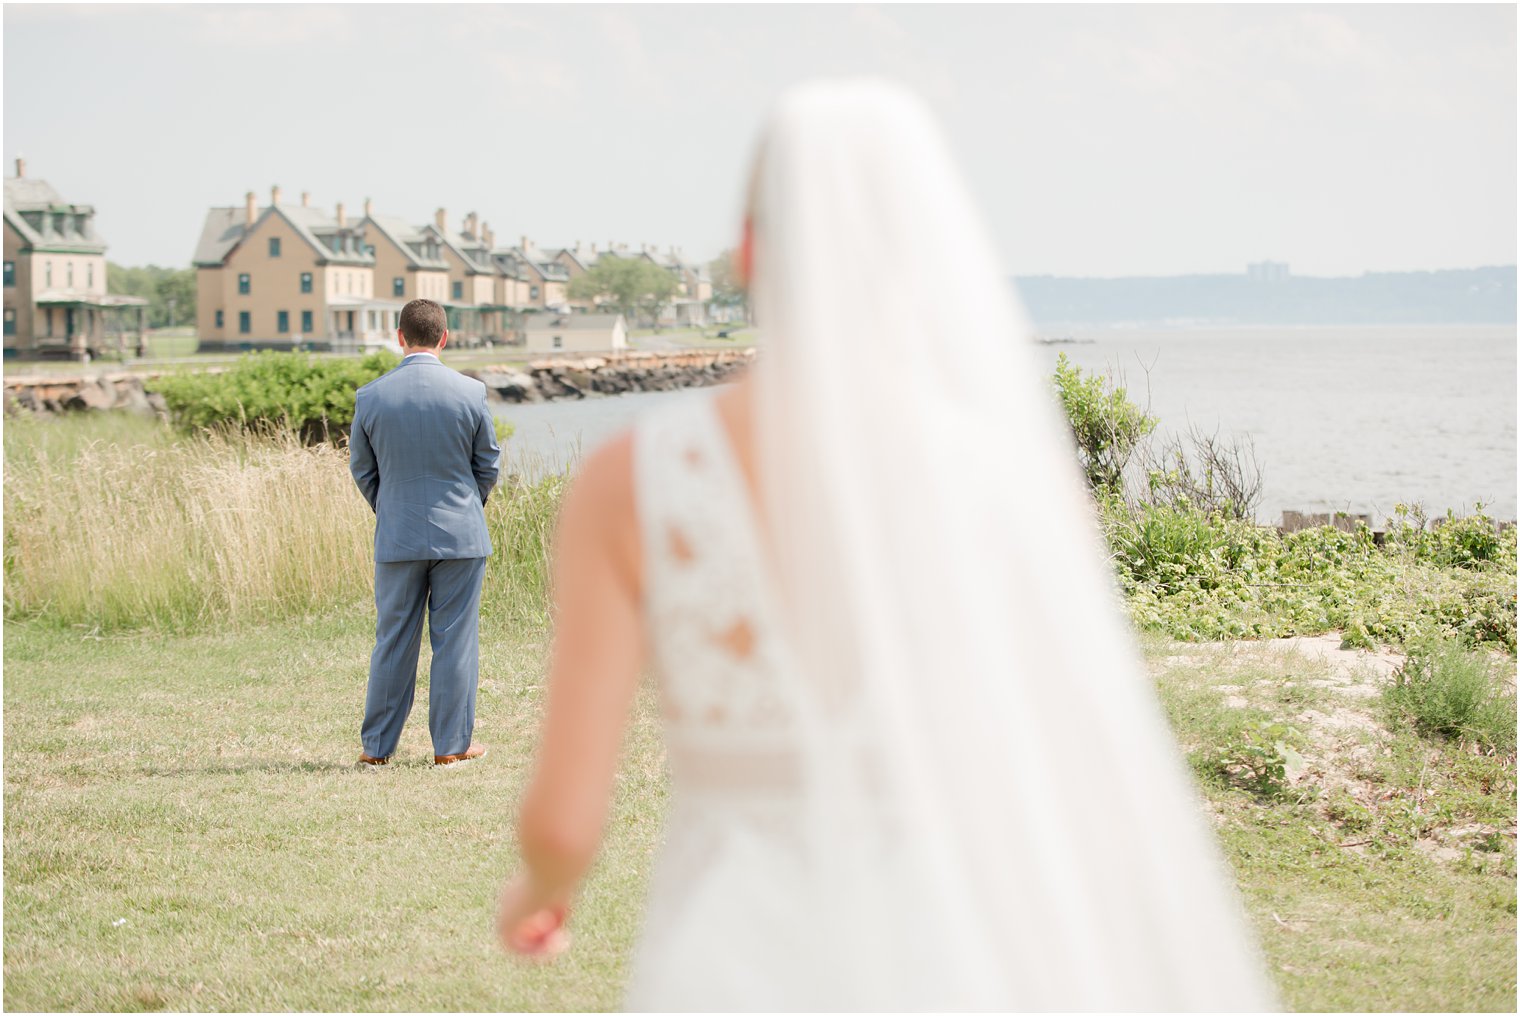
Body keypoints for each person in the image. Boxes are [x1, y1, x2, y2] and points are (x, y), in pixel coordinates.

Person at [496, 79, 1278, 1009]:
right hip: (945, 939)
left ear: (747, 253)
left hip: (734, 951)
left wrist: (537, 892)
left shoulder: (631, 482)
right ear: (921, 255)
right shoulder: (1010, 478)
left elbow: (564, 825)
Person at [349, 298, 499, 767]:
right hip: (461, 534)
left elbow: (362, 468)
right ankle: (452, 746)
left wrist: (389, 508)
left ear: (399, 336)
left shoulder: (371, 396)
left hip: (398, 534)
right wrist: (467, 505)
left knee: (393, 638)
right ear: (444, 337)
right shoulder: (470, 393)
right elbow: (488, 463)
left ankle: (377, 749)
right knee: (455, 640)